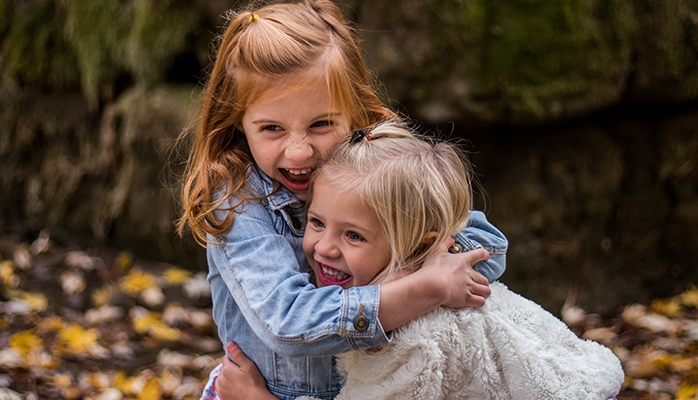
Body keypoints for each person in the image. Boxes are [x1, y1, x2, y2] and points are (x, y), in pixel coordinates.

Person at [176, 1, 508, 399]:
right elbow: (288, 323)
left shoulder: (374, 170)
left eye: (321, 124)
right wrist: (424, 288)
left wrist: (430, 261)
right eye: (271, 129)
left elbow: (486, 247)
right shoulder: (237, 201)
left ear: (353, 112)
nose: (299, 152)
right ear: (237, 123)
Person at [217, 122, 624, 400]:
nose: (324, 248)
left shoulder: (412, 337)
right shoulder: (425, 277)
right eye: (317, 222)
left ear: (418, 244)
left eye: (354, 235)